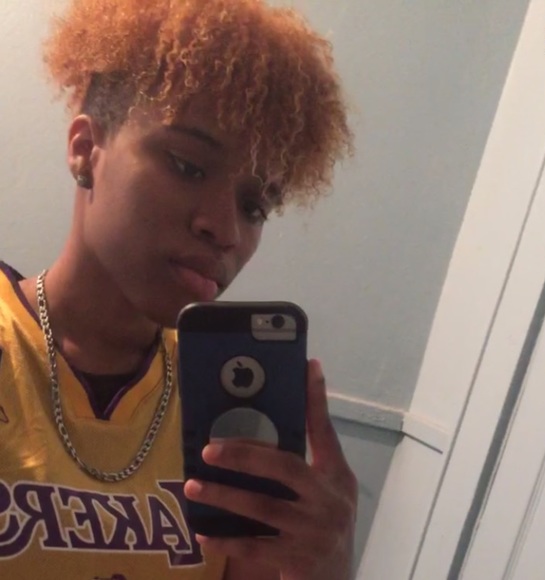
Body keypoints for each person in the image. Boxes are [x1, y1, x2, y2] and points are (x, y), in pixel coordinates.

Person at [0, 0, 357, 578]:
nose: (226, 229)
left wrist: (327, 568)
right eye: (188, 166)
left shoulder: (228, 405)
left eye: (254, 205)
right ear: (86, 149)